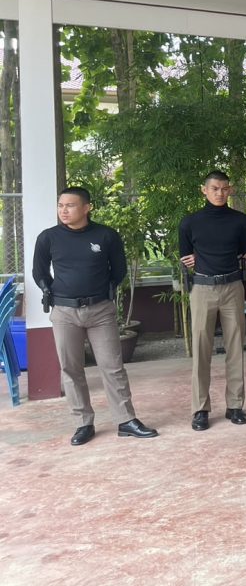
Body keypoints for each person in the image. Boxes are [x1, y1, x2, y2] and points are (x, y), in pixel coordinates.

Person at [32, 187, 158, 446]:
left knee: (113, 367)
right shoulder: (48, 238)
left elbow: (118, 269)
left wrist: (104, 291)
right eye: (60, 205)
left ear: (87, 207)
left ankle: (126, 420)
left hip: (100, 311)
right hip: (64, 312)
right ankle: (83, 423)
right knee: (71, 369)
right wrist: (51, 290)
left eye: (70, 205)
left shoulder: (106, 235)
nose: (64, 210)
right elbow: (39, 271)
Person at [179, 170, 246, 430]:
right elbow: (186, 257)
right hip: (202, 288)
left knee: (235, 346)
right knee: (201, 349)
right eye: (214, 189)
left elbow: (242, 252)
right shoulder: (189, 222)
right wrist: (195, 260)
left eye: (224, 188)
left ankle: (235, 405)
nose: (219, 193)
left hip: (232, 286)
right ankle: (200, 409)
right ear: (204, 190)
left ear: (230, 190)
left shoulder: (240, 220)